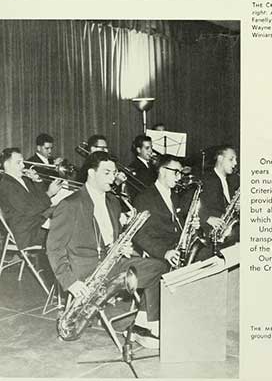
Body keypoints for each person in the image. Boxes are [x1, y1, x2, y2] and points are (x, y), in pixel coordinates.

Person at [47, 151, 166, 349]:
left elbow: (111, 238)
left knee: (159, 268)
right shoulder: (70, 204)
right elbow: (54, 247)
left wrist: (122, 245)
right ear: (91, 173)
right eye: (107, 173)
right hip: (85, 271)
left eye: (114, 173)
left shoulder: (112, 202)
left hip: (112, 264)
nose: (113, 178)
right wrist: (70, 282)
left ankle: (143, 326)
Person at [132, 154, 195, 339]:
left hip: (174, 246)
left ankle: (142, 322)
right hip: (156, 251)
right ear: (161, 171)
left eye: (180, 173)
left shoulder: (175, 195)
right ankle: (152, 322)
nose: (179, 176)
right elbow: (140, 234)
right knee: (163, 268)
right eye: (175, 172)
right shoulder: (145, 197)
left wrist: (191, 226)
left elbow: (177, 224)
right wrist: (164, 252)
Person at [0, 147, 63, 250]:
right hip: (27, 233)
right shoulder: (6, 185)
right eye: (18, 163)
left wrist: (37, 181)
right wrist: (50, 193)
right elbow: (29, 210)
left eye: (23, 162)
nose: (23, 165)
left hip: (36, 223)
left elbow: (39, 198)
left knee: (66, 211)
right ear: (7, 165)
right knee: (65, 231)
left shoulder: (24, 179)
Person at [199, 145, 239, 240]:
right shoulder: (204, 179)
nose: (235, 163)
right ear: (220, 158)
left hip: (227, 234)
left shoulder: (233, 181)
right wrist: (207, 218)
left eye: (235, 160)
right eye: (231, 159)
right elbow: (186, 204)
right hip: (209, 234)